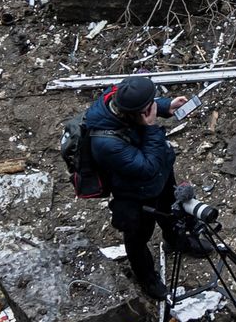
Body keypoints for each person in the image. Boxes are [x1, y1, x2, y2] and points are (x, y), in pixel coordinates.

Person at [75, 74, 218, 307]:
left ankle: (177, 240)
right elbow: (147, 167)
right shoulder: (106, 143)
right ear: (138, 114)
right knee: (137, 238)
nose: (153, 107)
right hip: (135, 194)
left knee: (172, 213)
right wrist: (151, 127)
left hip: (161, 178)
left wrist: (165, 105)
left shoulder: (119, 97)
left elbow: (143, 108)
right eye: (150, 106)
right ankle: (147, 278)